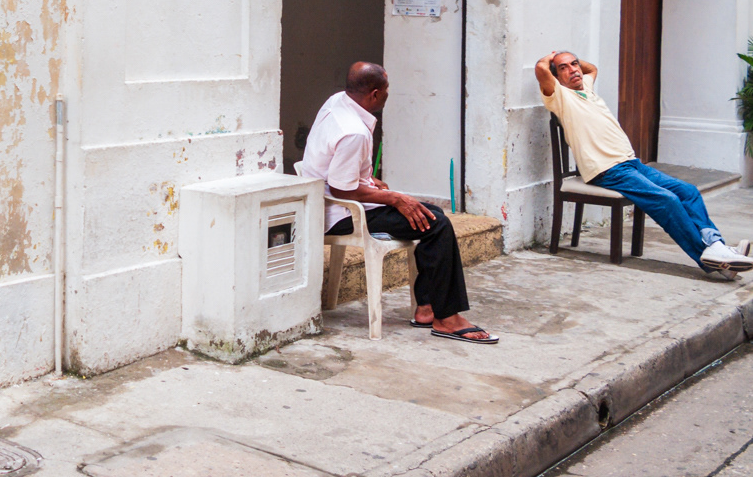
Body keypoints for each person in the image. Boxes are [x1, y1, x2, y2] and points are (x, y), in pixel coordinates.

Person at [297, 62, 498, 344]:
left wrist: (368, 178)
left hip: (330, 201)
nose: (389, 93)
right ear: (375, 94)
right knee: (437, 224)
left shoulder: (337, 102)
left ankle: (427, 308)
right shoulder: (353, 131)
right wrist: (394, 198)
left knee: (431, 214)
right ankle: (446, 319)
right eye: (387, 89)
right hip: (341, 214)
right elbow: (343, 189)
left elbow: (333, 162)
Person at [536, 51, 753, 277]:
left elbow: (592, 69)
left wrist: (572, 61)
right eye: (563, 68)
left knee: (688, 192)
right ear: (556, 77)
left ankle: (717, 247)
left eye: (574, 64)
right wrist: (553, 57)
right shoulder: (560, 96)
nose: (573, 70)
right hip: (607, 170)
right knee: (667, 200)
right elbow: (541, 69)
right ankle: (710, 260)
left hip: (632, 164)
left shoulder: (587, 88)